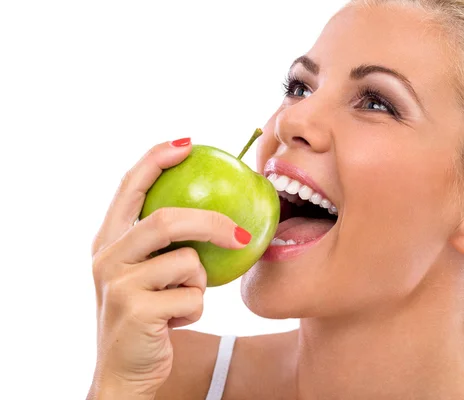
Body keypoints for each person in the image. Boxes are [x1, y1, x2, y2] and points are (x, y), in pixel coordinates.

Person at [87, 0, 464, 398]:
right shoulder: (160, 380)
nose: (289, 121)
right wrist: (116, 388)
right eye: (299, 88)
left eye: (376, 103)